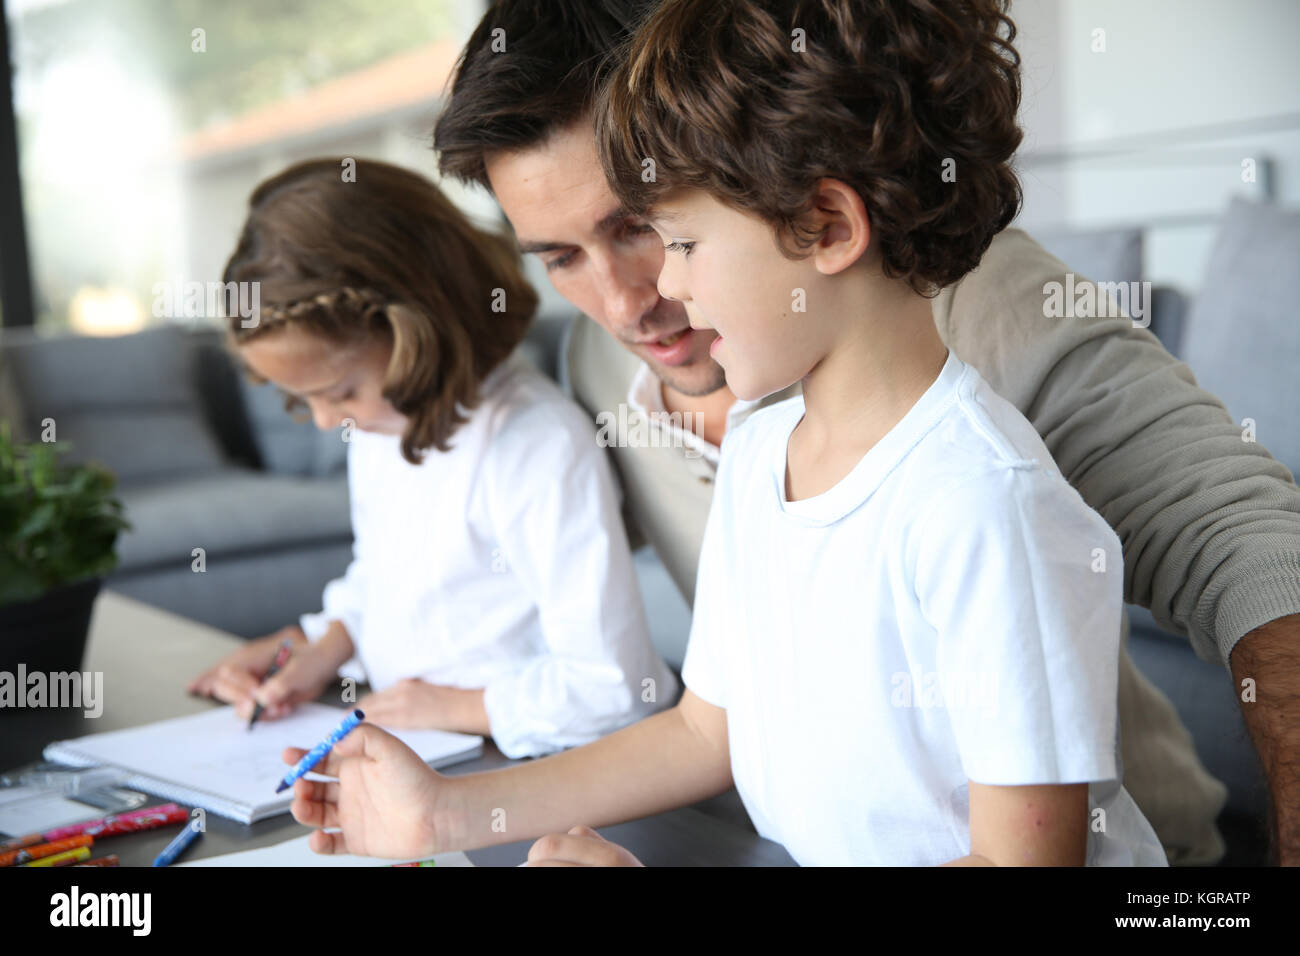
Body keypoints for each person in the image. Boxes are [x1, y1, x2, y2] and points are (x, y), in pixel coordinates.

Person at [286, 0, 1174, 866]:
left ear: (825, 225)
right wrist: (443, 814)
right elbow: (703, 731)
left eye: (674, 241)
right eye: (566, 256)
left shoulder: (983, 504)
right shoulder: (761, 449)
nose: (650, 297)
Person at [187, 158, 678, 759]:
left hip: (525, 757)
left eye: (339, 391)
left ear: (423, 331)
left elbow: (617, 687)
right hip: (414, 739)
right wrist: (318, 647)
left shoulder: (536, 443)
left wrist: (455, 708)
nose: (324, 420)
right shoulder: (380, 424)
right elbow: (389, 577)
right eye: (301, 398)